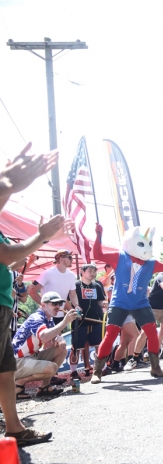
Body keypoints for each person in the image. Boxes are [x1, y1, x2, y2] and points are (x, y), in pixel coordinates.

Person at [0, 142, 64, 446]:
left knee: (4, 372)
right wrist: (41, 237)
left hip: (2, 307)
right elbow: (5, 253)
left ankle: (14, 429)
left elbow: (8, 258)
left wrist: (11, 183)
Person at [91, 223, 163, 383]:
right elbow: (98, 254)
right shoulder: (119, 257)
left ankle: (155, 367)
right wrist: (98, 235)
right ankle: (97, 371)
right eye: (141, 243)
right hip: (119, 303)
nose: (146, 247)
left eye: (149, 243)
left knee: (152, 333)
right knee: (111, 335)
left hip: (141, 304)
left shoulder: (151, 264)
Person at [13, 292, 80, 400]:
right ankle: (19, 383)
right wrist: (65, 322)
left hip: (30, 357)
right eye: (54, 304)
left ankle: (44, 387)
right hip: (17, 362)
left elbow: (54, 336)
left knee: (61, 350)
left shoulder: (48, 319)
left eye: (59, 303)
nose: (58, 306)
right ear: (43, 304)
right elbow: (44, 336)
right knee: (51, 368)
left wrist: (60, 339)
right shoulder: (36, 318)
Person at [69, 263, 108, 380]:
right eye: (90, 271)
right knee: (76, 346)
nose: (93, 273)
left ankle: (101, 368)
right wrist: (74, 311)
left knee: (98, 345)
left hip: (95, 319)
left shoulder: (97, 285)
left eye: (94, 271)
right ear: (82, 271)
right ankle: (73, 372)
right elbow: (68, 301)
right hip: (79, 321)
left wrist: (104, 304)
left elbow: (100, 301)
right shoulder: (75, 285)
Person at [28, 249, 80, 323]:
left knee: (58, 335)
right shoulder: (48, 273)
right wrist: (46, 306)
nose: (72, 260)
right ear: (61, 259)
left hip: (60, 315)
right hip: (46, 314)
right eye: (70, 257)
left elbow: (73, 295)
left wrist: (76, 305)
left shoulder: (71, 275)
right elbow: (32, 291)